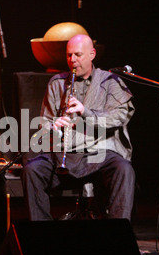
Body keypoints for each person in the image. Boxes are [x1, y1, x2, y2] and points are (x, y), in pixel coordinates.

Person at [21, 34, 136, 221]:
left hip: (99, 154)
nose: (72, 60)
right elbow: (45, 123)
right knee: (32, 170)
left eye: (78, 55)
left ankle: (117, 236)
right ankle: (41, 235)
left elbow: (120, 116)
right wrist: (54, 127)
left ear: (92, 54)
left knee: (123, 169)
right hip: (65, 155)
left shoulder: (110, 81)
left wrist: (86, 112)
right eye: (69, 55)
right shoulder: (57, 83)